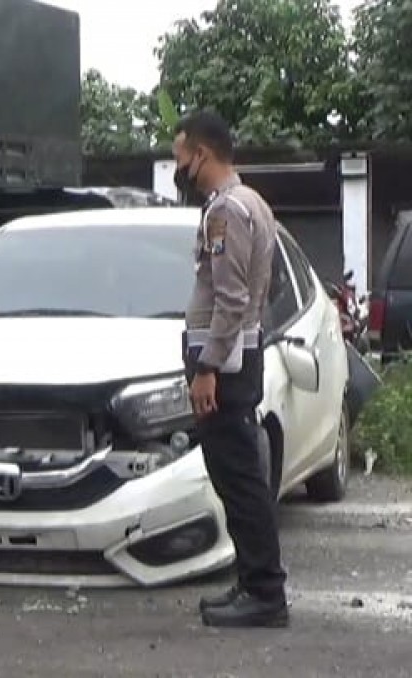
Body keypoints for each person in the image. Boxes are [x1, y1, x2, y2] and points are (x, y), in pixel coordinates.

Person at [173, 109, 289, 628]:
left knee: (240, 480)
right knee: (239, 476)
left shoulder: (225, 211)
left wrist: (206, 367)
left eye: (181, 158)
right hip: (237, 360)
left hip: (225, 365)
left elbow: (231, 296)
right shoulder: (253, 203)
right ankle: (252, 582)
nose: (180, 169)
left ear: (202, 154)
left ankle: (264, 593)